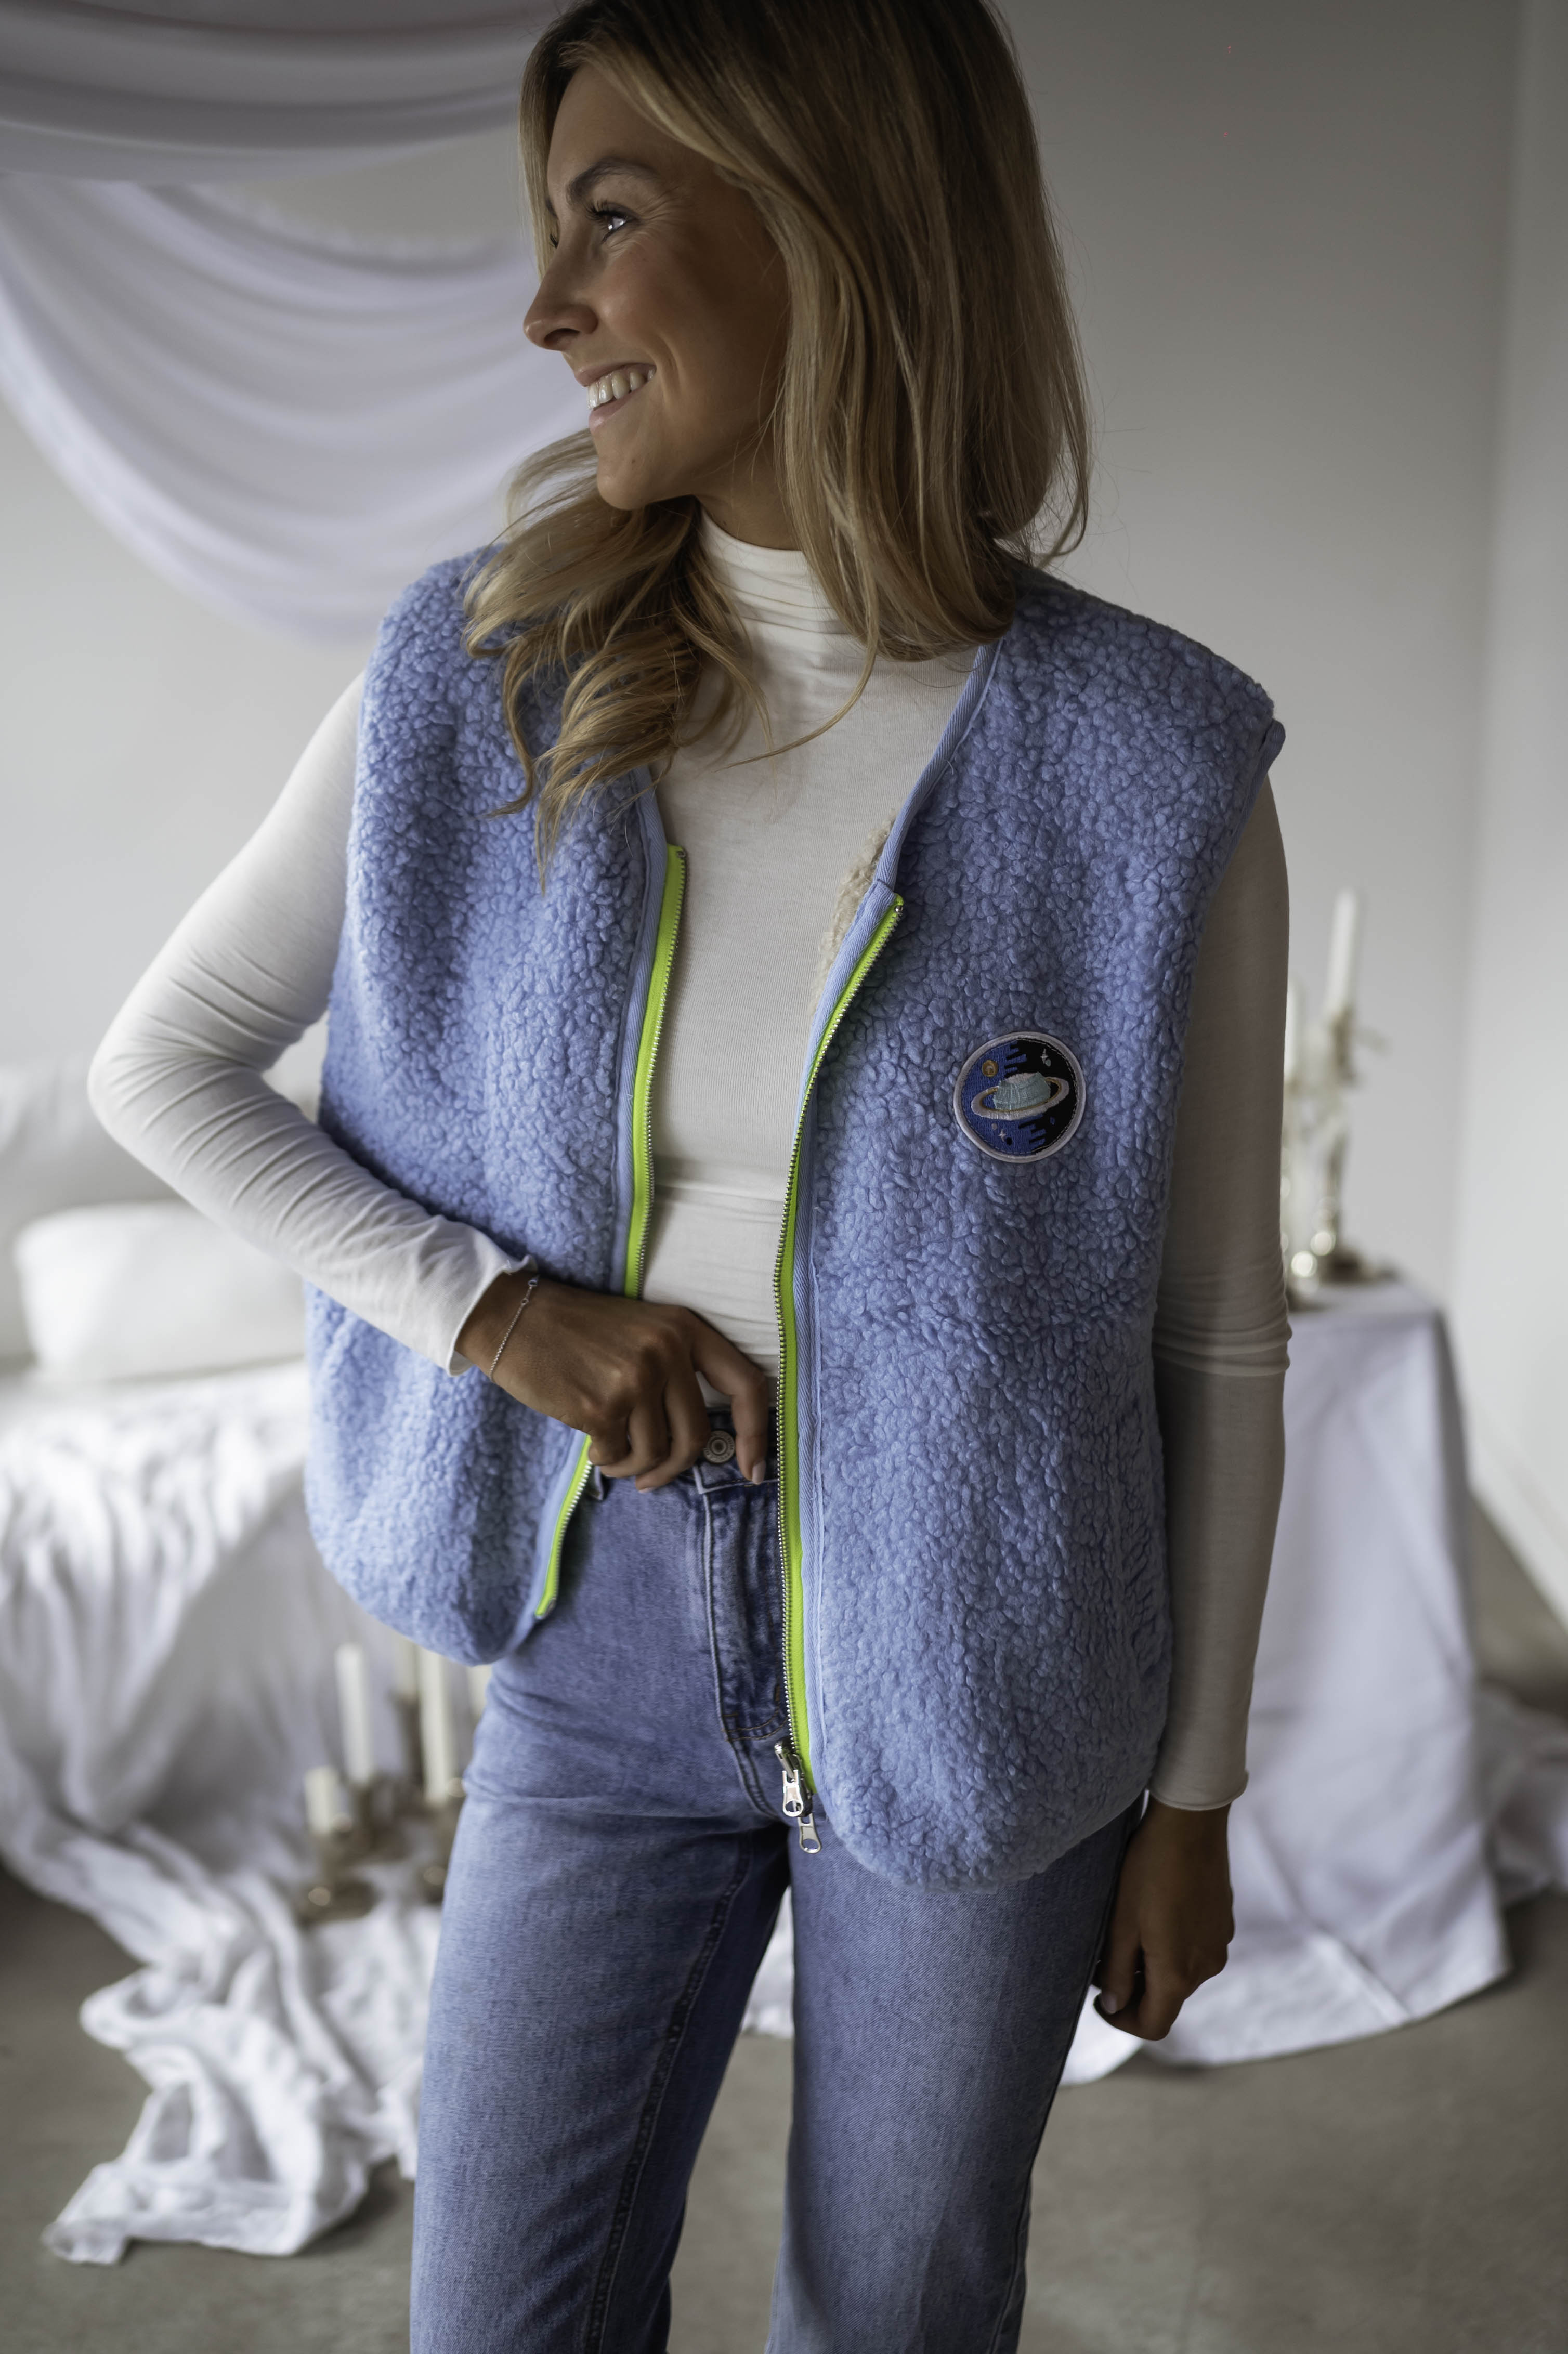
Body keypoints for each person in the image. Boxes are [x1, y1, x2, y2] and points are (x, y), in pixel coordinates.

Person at [91, 1, 1290, 2344]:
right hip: (601, 1627)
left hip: (983, 1649)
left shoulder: (1156, 765)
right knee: (501, 2312)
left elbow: (1216, 1330)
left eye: (609, 222)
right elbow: (171, 1067)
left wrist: (1194, 1800)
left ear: (835, 224)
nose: (548, 311)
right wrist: (492, 1310)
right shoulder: (478, 677)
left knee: (898, 2306)